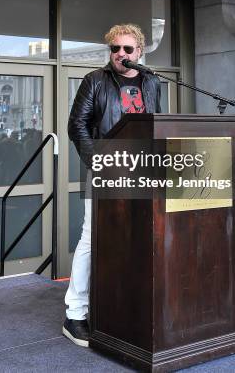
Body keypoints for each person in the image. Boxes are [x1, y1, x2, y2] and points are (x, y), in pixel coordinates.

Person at [62, 23, 161, 347]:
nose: (120, 54)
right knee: (93, 237)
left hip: (142, 169)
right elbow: (77, 126)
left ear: (139, 52)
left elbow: (156, 122)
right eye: (115, 49)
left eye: (127, 49)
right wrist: (100, 163)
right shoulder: (96, 80)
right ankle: (75, 314)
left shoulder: (151, 81)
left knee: (137, 235)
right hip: (106, 168)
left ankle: (122, 304)